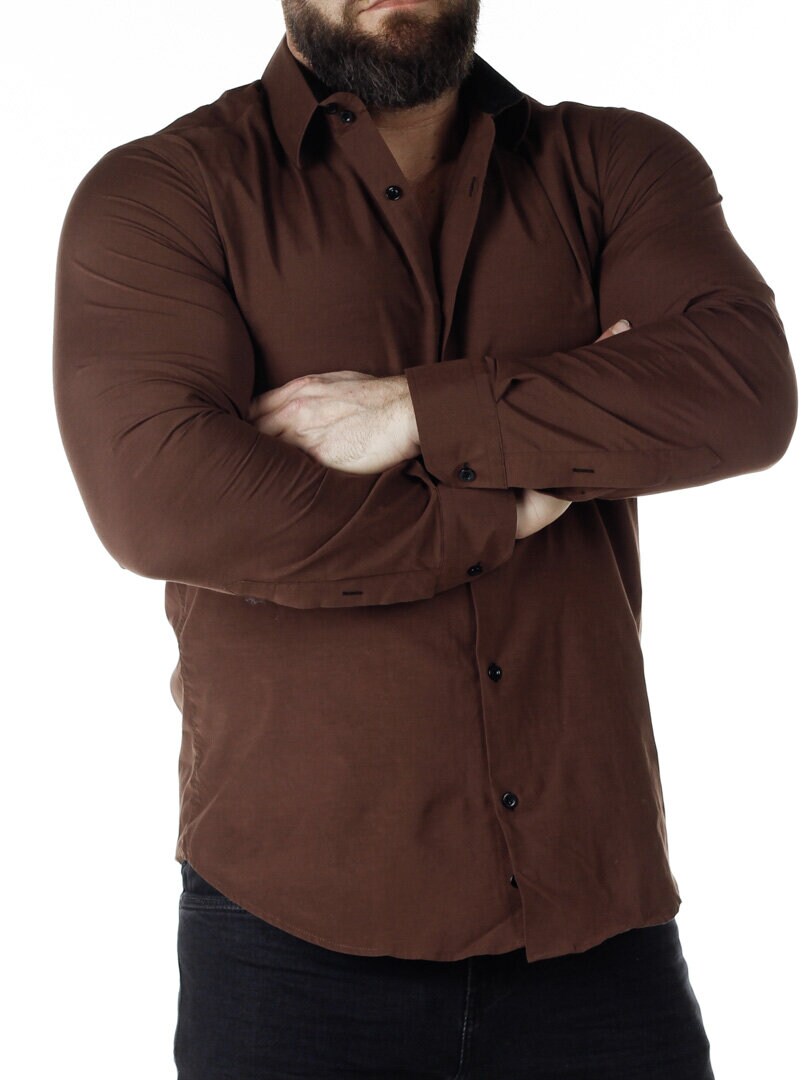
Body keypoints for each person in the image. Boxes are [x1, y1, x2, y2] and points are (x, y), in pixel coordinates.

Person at [52, 1, 798, 1076]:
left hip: (594, 923)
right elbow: (166, 499)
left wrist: (410, 411)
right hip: (289, 941)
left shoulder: (617, 166)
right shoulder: (165, 194)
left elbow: (738, 390)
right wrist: (507, 498)